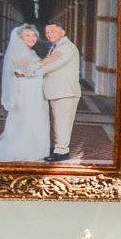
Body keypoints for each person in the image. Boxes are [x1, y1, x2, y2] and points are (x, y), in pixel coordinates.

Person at [0, 24, 51, 162]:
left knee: (34, 117)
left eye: (34, 35)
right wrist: (47, 62)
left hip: (33, 89)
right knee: (27, 117)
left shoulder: (30, 52)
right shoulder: (22, 54)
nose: (32, 38)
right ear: (21, 38)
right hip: (27, 91)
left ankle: (36, 148)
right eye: (28, 35)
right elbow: (28, 71)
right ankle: (26, 149)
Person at [34, 19, 84, 162]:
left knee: (62, 123)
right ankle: (57, 148)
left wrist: (33, 70)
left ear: (63, 32)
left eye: (53, 31)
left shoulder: (66, 47)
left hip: (65, 92)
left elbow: (53, 65)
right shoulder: (57, 46)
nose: (49, 34)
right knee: (57, 122)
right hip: (58, 91)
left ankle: (62, 151)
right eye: (47, 32)